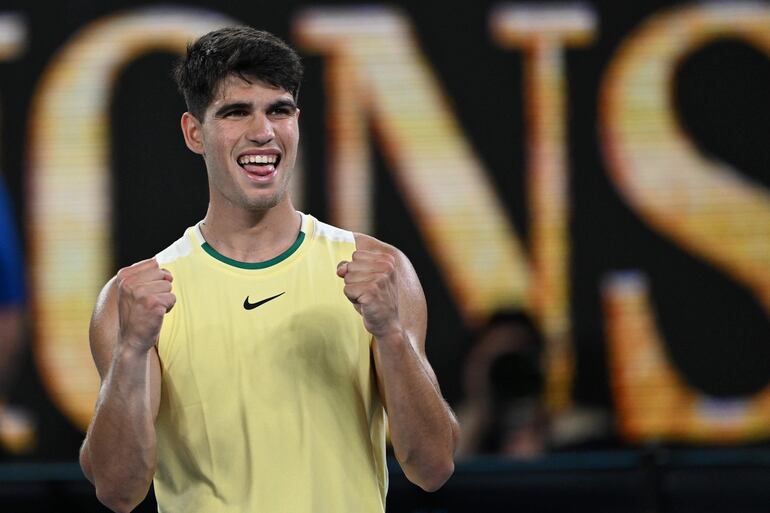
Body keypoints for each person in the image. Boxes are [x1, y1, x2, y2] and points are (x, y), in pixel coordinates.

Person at [78, 26, 459, 513]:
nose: (263, 131)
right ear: (194, 133)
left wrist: (390, 334)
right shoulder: (135, 297)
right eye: (236, 112)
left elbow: (433, 467)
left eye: (278, 110)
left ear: (296, 122)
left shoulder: (379, 271)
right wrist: (131, 351)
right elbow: (118, 490)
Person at [455, 309, 549, 459]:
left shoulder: (573, 430)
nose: (509, 373)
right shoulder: (447, 429)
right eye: (496, 361)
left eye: (516, 363)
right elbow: (441, 466)